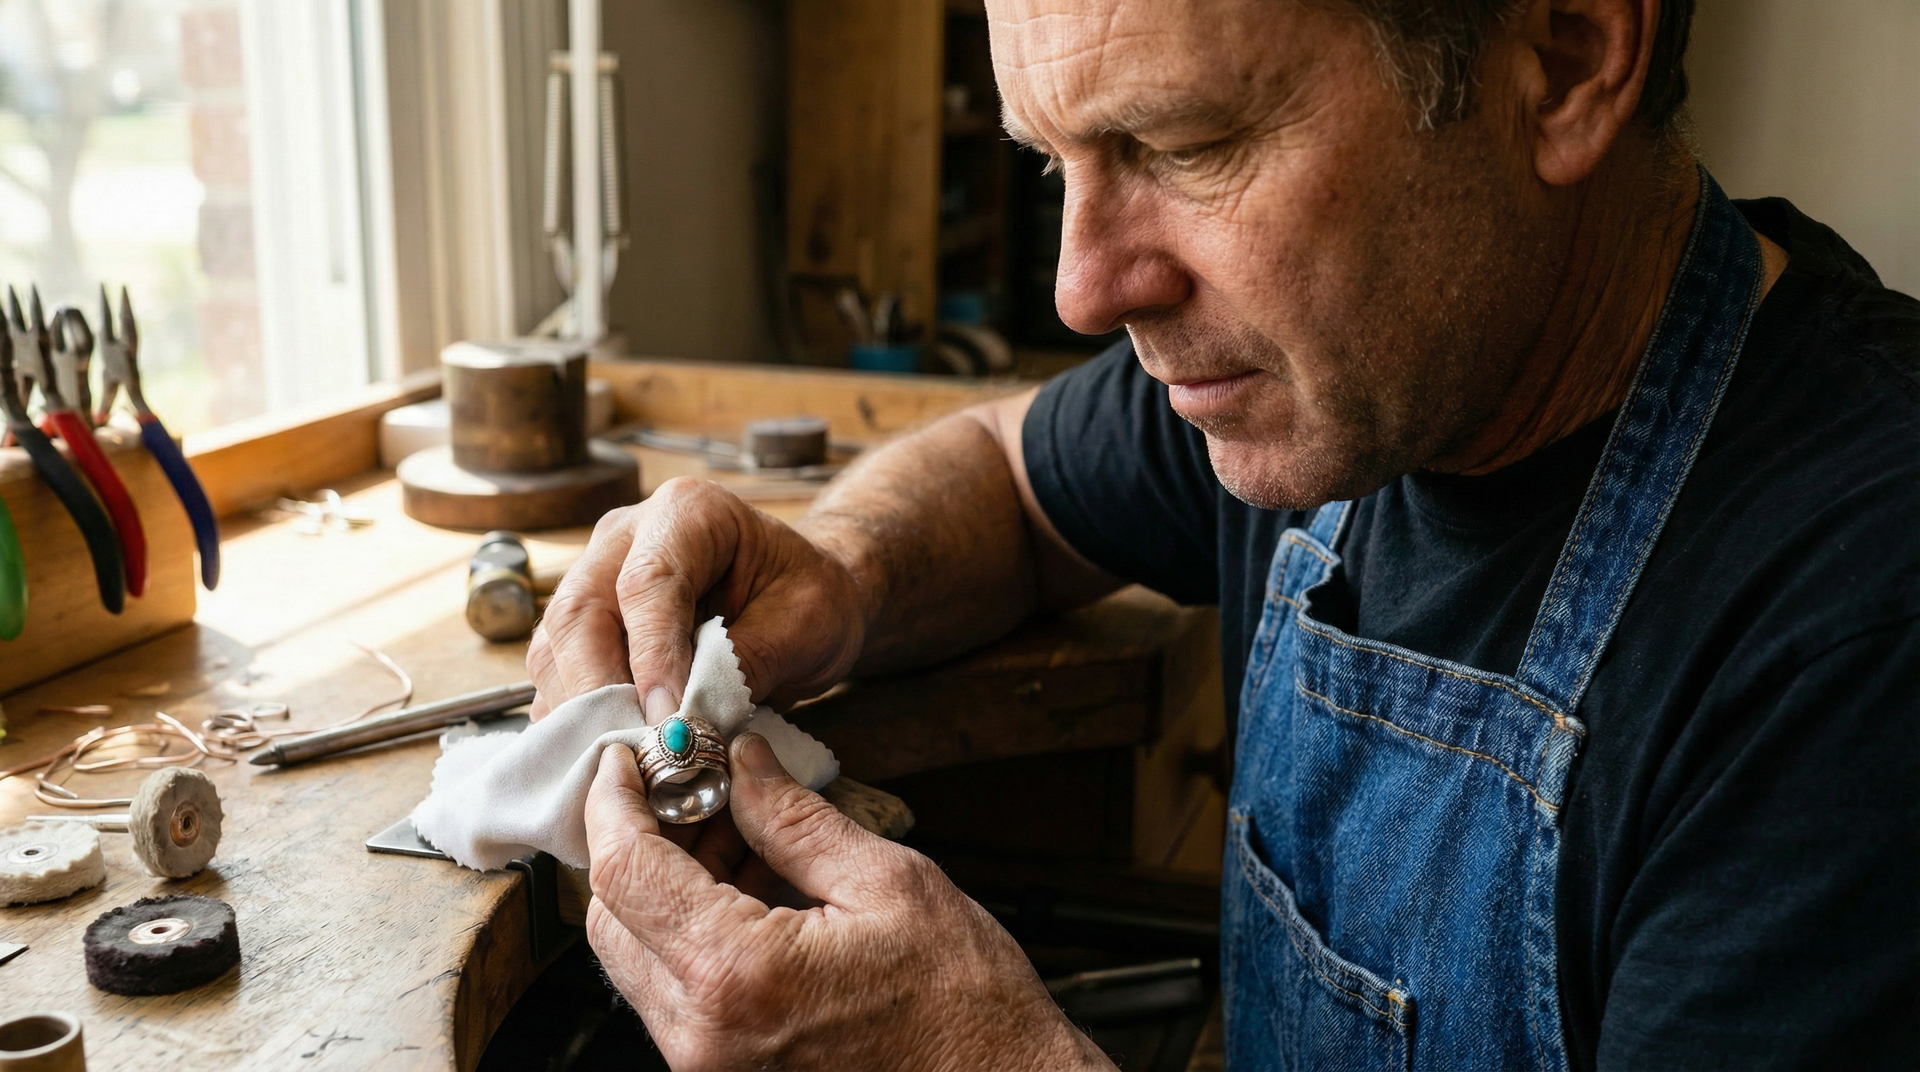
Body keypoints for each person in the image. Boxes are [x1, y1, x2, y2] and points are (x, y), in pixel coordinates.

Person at [529, 0, 1920, 1067]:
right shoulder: (1357, 372)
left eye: (1183, 147)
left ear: (1561, 57)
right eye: (1053, 162)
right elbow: (1011, 472)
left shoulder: (1858, 618)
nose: (1085, 286)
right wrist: (843, 568)